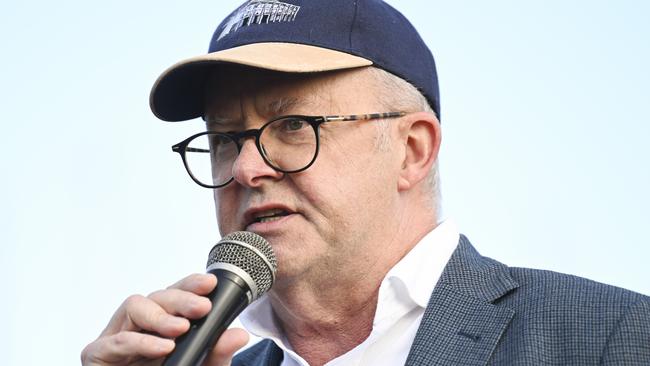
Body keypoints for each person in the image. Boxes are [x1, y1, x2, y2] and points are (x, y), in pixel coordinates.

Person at [81, 1, 650, 365]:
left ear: (412, 149)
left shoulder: (613, 340)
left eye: (293, 127)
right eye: (226, 138)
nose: (246, 169)